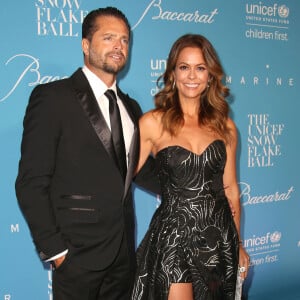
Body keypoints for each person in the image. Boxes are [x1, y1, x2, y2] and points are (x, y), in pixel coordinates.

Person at [15, 7, 159, 300]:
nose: (119, 46)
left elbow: (139, 170)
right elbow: (31, 182)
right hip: (76, 256)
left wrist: (197, 186)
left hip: (122, 255)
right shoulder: (53, 97)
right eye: (108, 38)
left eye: (124, 40)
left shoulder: (131, 108)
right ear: (85, 44)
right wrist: (57, 251)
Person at [131, 34, 250, 300]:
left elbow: (231, 191)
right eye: (184, 67)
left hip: (217, 235)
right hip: (174, 236)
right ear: (173, 73)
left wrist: (238, 244)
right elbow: (123, 178)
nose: (192, 76)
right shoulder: (153, 123)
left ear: (210, 75)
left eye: (200, 68)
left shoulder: (226, 127)